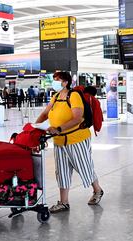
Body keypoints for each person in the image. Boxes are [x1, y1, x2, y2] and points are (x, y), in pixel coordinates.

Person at [35, 71, 104, 213]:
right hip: (59, 141)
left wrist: (59, 128)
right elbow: (44, 114)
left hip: (76, 139)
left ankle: (98, 190)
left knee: (84, 167)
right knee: (62, 172)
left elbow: (77, 118)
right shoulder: (55, 97)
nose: (54, 83)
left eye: (57, 80)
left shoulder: (74, 96)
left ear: (65, 82)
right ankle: (63, 202)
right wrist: (34, 127)